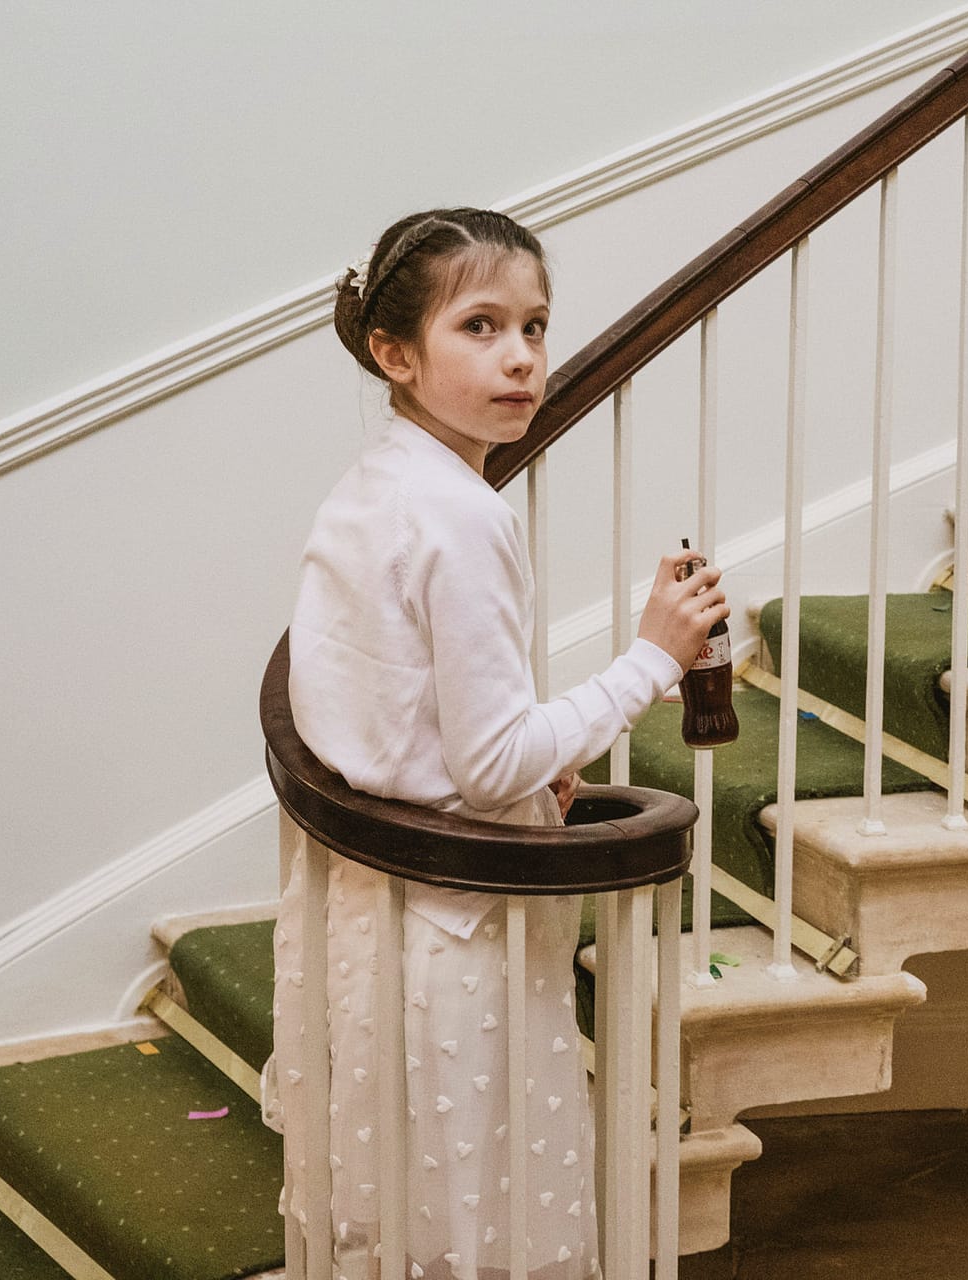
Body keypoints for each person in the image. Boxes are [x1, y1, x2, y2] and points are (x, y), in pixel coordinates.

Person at [263, 207, 726, 1280]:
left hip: (372, 907)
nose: (521, 357)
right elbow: (490, 763)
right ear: (396, 352)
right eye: (479, 325)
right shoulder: (463, 515)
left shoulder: (376, 483)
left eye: (534, 325)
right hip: (452, 929)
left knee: (405, 1211)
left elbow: (394, 705)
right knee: (483, 1225)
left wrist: (515, 760)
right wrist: (653, 656)